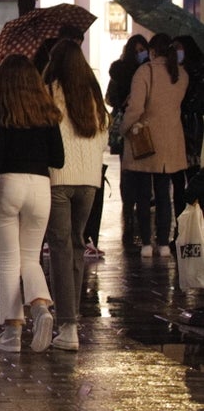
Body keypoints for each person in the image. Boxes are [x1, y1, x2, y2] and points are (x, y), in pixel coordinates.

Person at [0, 54, 64, 353]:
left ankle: (11, 335)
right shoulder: (47, 112)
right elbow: (59, 158)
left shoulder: (1, 110)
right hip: (40, 187)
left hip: (8, 185)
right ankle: (41, 309)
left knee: (9, 262)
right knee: (30, 259)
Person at [41, 40, 109, 351]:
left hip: (59, 178)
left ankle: (67, 326)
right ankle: (72, 321)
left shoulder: (51, 89)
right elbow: (104, 131)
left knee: (60, 247)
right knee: (77, 245)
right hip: (89, 181)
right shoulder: (92, 91)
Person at [121, 33, 189, 258]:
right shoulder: (181, 74)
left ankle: (147, 244)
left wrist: (124, 128)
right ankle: (163, 243)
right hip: (171, 140)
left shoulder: (145, 72)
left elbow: (136, 108)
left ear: (152, 51)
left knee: (143, 194)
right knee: (164, 193)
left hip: (145, 139)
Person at [106, 34, 150, 247]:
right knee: (128, 168)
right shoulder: (121, 71)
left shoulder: (148, 71)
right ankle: (129, 205)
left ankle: (136, 205)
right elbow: (110, 97)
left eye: (144, 49)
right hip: (129, 124)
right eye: (138, 49)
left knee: (139, 168)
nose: (141, 53)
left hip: (142, 126)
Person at [173, 35, 204, 218]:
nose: (177, 52)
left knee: (193, 182)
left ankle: (193, 226)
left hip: (192, 134)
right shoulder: (175, 72)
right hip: (177, 134)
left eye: (179, 47)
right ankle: (181, 227)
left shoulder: (198, 74)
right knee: (178, 184)